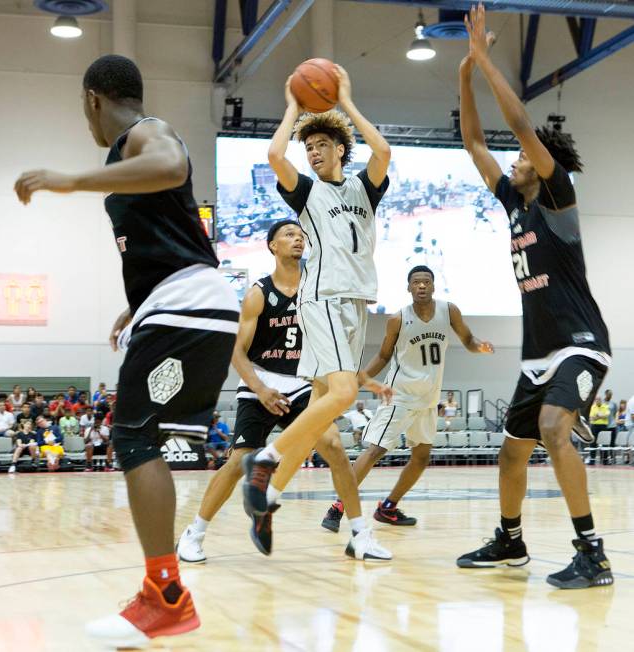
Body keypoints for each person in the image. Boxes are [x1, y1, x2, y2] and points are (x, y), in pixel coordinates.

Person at [15, 54, 239, 647]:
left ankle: (165, 594)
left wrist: (70, 180)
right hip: (190, 303)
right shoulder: (130, 151)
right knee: (145, 437)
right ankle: (162, 591)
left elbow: (169, 165)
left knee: (133, 436)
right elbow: (171, 238)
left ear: (93, 98)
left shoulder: (146, 133)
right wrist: (139, 302)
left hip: (187, 304)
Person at [456, 4, 612, 589]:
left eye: (523, 156)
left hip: (581, 343)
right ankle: (511, 542)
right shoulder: (514, 203)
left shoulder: (555, 195)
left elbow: (520, 126)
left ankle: (592, 553)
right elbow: (473, 141)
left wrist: (488, 60)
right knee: (510, 452)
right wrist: (465, 72)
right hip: (537, 354)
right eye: (518, 158)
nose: (516, 158)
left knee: (551, 428)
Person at [241, 66, 393, 562]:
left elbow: (384, 152)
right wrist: (294, 107)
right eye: (309, 148)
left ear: (340, 151)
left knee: (323, 424)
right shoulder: (306, 193)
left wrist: (344, 103)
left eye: (321, 146)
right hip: (322, 297)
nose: (312, 152)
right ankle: (266, 460)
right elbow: (273, 154)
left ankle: (270, 498)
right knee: (345, 393)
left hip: (355, 303)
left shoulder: (362, 190)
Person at [178, 221, 380, 560]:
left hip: (304, 383)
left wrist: (360, 378)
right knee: (239, 461)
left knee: (334, 447)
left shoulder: (316, 290)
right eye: (289, 234)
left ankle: (360, 534)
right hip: (263, 381)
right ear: (272, 245)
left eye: (301, 235)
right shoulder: (259, 293)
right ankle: (193, 533)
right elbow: (236, 351)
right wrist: (260, 389)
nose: (298, 239)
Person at [322, 266, 493, 531]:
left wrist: (479, 347)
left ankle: (388, 508)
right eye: (416, 282)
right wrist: (361, 378)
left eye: (426, 282)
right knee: (376, 450)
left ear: (434, 286)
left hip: (428, 399)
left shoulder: (449, 311)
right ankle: (337, 506)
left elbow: (468, 339)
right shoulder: (398, 319)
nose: (422, 286)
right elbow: (383, 355)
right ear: (409, 288)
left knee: (421, 457)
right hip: (399, 395)